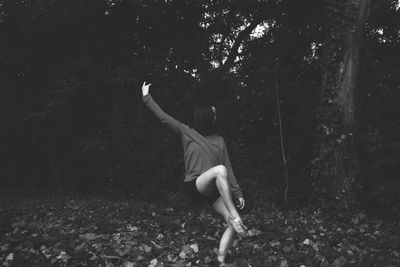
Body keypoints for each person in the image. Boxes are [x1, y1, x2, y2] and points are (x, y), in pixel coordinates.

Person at [141, 81, 247, 266]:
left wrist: (238, 193)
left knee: (231, 221)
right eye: (213, 114)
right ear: (206, 116)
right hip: (194, 184)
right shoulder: (187, 132)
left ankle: (220, 260)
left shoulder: (219, 141)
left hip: (214, 188)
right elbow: (164, 118)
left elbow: (228, 169)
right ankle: (235, 215)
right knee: (219, 173)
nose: (216, 117)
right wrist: (146, 97)